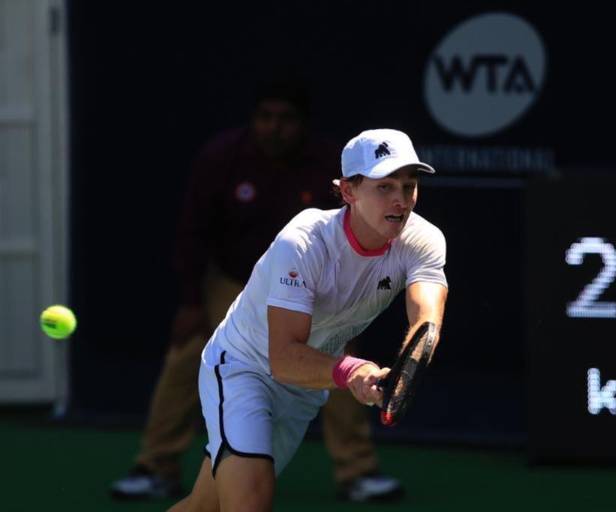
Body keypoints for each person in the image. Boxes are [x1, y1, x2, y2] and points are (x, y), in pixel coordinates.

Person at [110, 85, 403, 503]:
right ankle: (155, 464)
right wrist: (193, 300)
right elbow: (193, 230)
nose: (274, 128)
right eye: (265, 117)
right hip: (232, 282)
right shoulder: (223, 158)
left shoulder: (324, 165)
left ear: (301, 124)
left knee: (342, 359)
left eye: (284, 119)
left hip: (312, 289)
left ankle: (356, 470)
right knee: (185, 356)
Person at [168, 128, 448, 512]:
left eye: (409, 186)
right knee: (250, 501)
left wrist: (409, 365)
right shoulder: (302, 243)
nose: (401, 201)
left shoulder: (423, 240)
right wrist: (354, 372)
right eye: (385, 187)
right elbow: (282, 357)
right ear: (348, 191)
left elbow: (425, 319)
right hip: (242, 367)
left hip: (304, 387)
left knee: (204, 507)